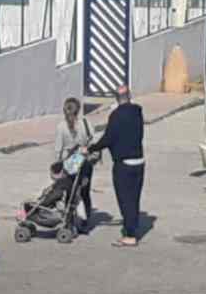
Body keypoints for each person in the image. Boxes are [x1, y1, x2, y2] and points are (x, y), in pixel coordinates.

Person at [88, 85, 147, 247]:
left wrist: (91, 148)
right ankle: (132, 226)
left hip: (124, 164)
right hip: (139, 161)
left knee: (125, 199)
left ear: (116, 98)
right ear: (130, 96)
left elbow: (108, 139)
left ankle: (130, 234)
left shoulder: (116, 115)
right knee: (134, 197)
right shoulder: (137, 112)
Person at [54, 97, 97, 233]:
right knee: (85, 192)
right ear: (78, 110)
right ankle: (86, 221)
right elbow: (94, 139)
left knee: (69, 192)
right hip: (84, 162)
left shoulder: (61, 126)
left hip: (69, 164)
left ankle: (69, 222)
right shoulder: (85, 122)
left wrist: (58, 165)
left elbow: (58, 149)